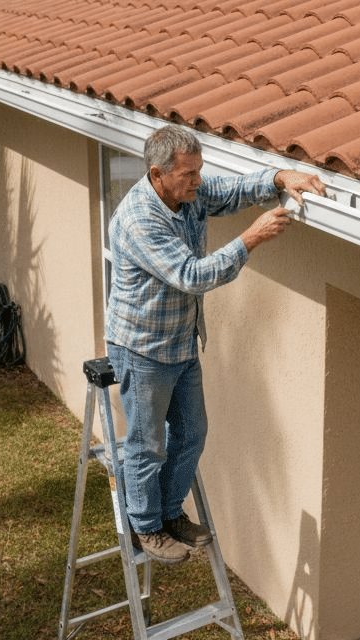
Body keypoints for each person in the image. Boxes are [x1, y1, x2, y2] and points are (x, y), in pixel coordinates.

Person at [105, 125, 325, 564]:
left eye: (199, 171)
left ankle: (170, 513)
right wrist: (252, 238)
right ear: (157, 174)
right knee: (147, 444)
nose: (199, 181)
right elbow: (193, 276)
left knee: (191, 433)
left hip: (180, 342)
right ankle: (146, 527)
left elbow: (230, 190)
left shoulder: (186, 194)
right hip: (143, 349)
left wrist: (281, 177)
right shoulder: (140, 220)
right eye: (189, 174)